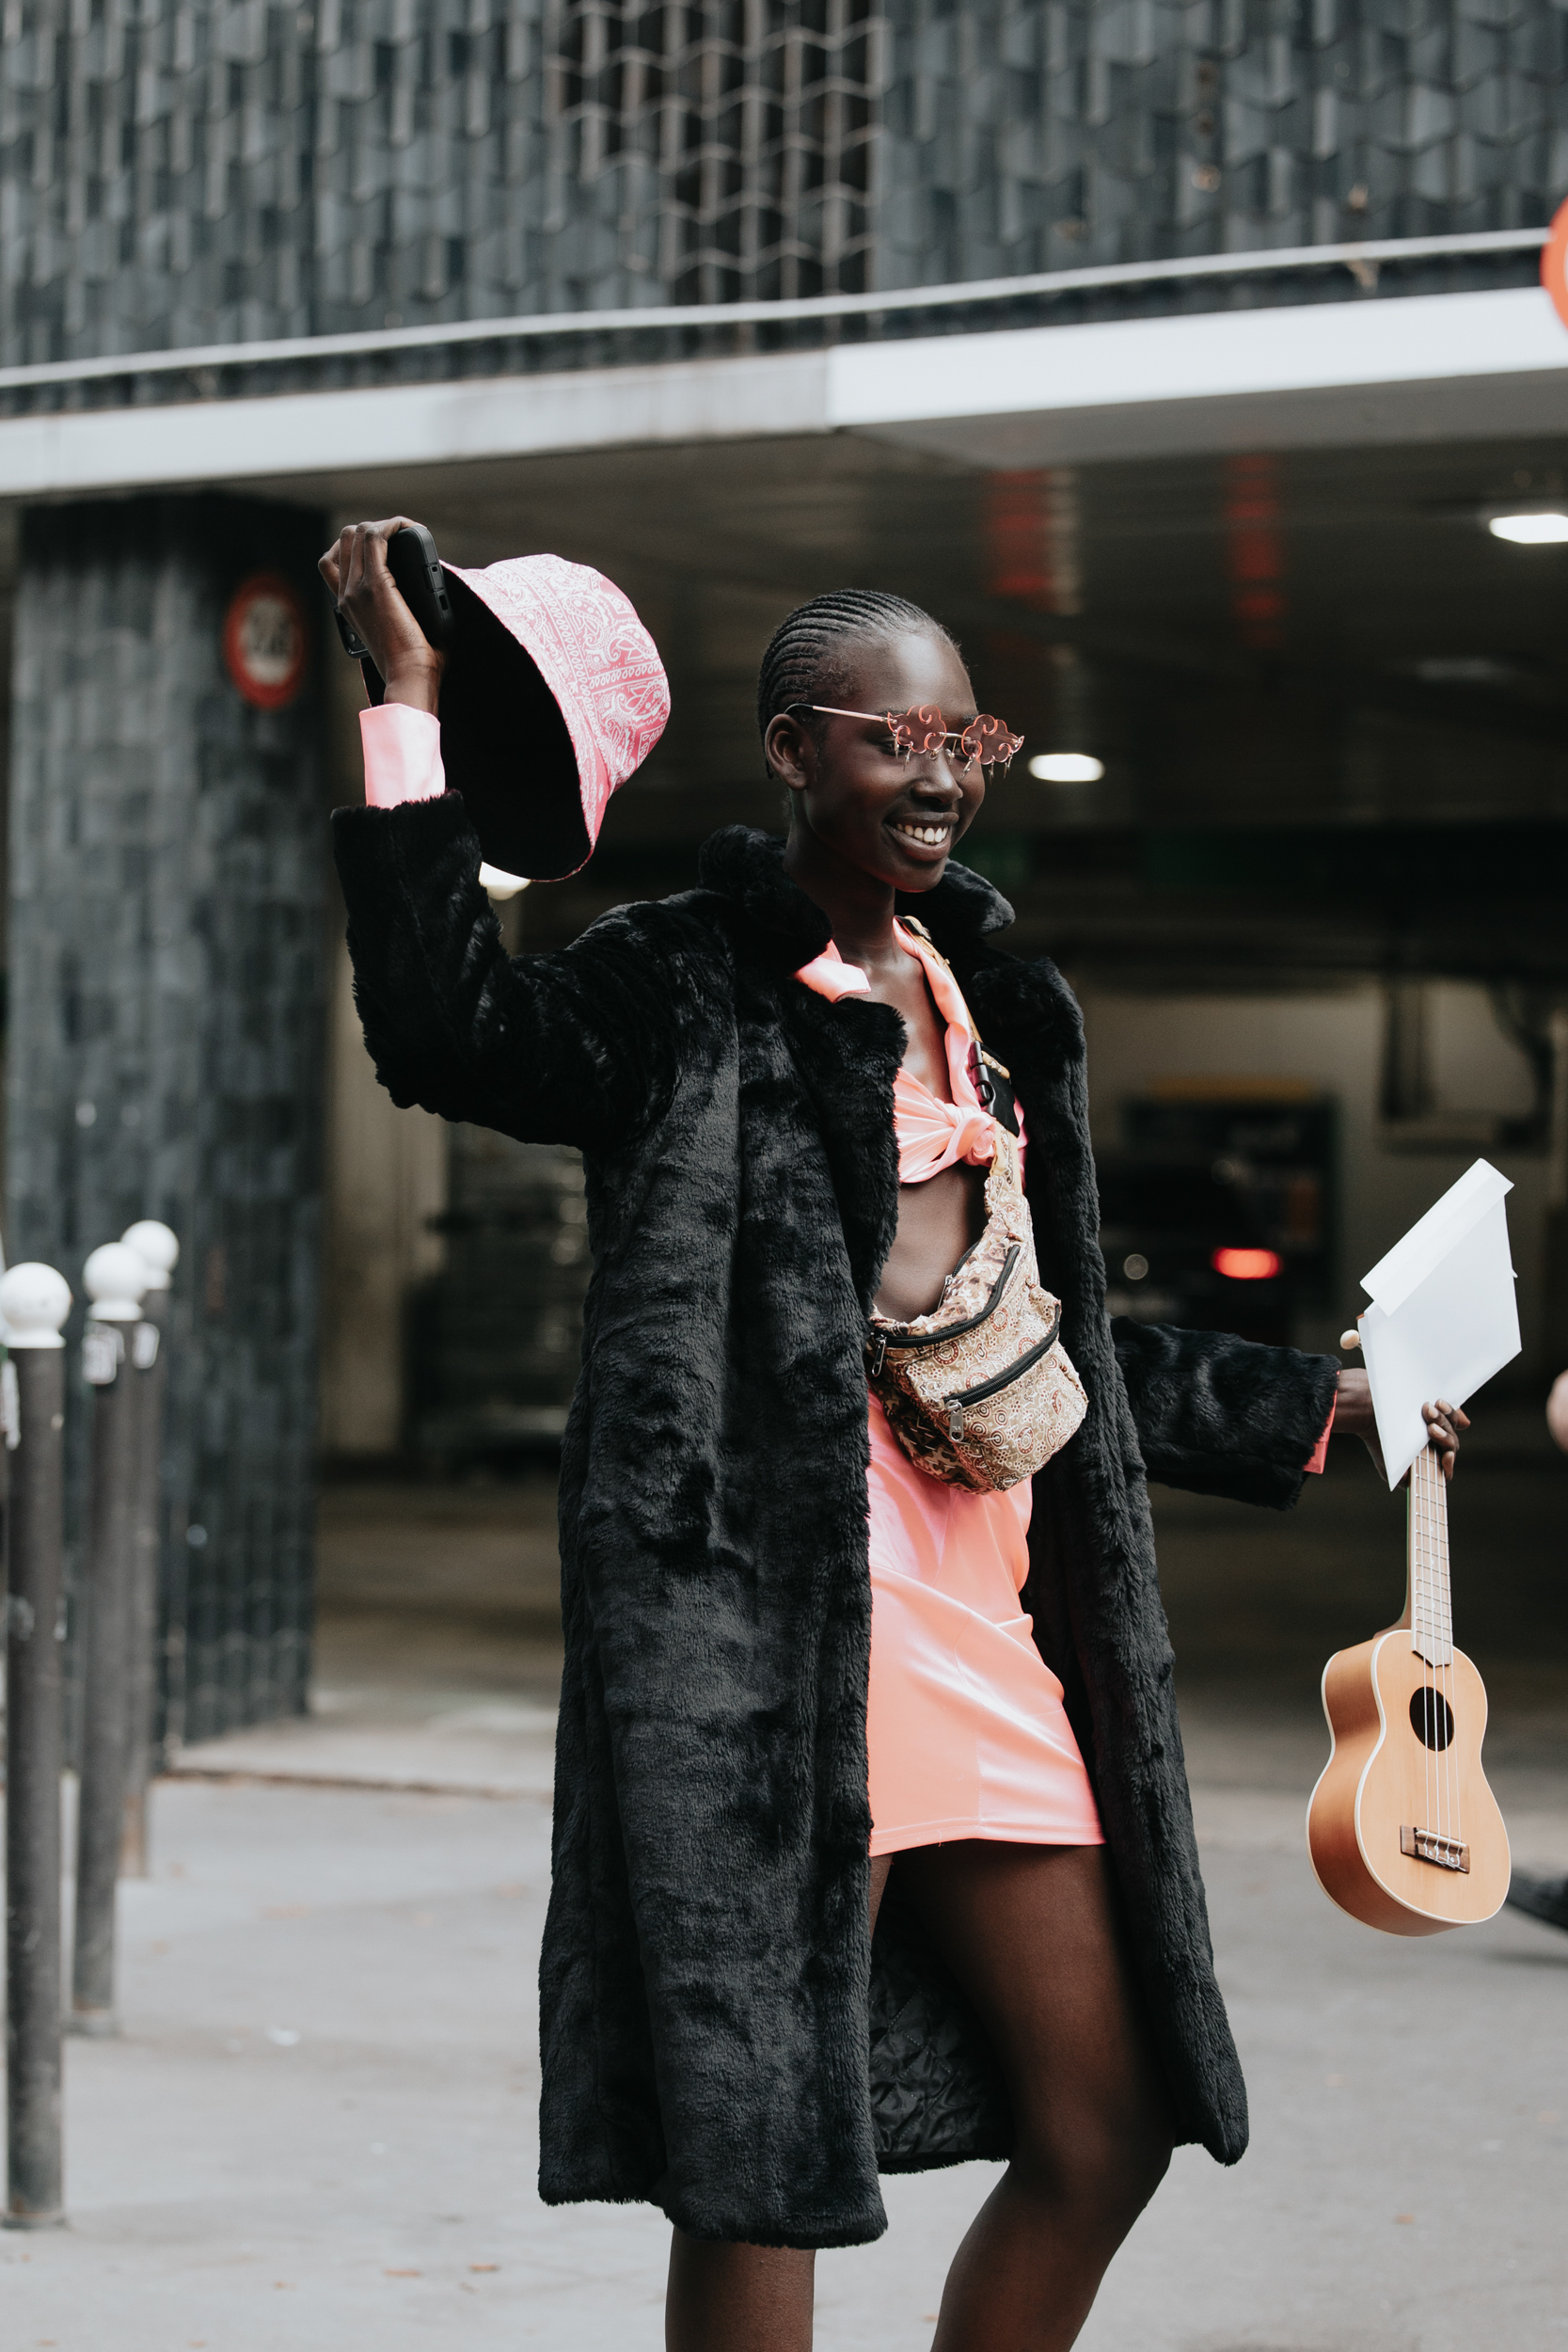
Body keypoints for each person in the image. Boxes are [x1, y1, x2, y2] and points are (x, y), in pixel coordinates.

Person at [321, 520, 1466, 2352]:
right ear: (793, 750)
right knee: (760, 2158)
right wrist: (408, 705)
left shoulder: (996, 1008)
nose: (940, 776)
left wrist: (1312, 1408)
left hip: (987, 1635)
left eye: (967, 741)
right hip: (776, 1648)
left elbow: (1043, 1338)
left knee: (1106, 2126)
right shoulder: (684, 981)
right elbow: (447, 1033)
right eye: (894, 737)